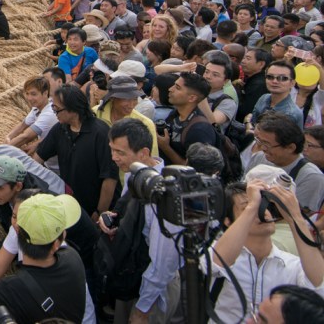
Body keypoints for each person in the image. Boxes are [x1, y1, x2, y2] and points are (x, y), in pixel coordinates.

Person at [0, 191, 92, 324]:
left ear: (18, 231)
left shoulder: (7, 290)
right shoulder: (73, 258)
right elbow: (0, 270)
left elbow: (14, 295)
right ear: (56, 244)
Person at [207, 180, 324, 323]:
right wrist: (253, 206)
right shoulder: (217, 250)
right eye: (247, 208)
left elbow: (319, 285)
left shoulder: (290, 264)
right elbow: (215, 264)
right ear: (228, 221)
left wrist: (295, 217)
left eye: (263, 205)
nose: (262, 212)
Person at [101, 119, 181, 323]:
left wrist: (143, 308)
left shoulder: (163, 195)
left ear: (144, 153)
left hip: (151, 290)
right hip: (132, 276)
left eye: (120, 152)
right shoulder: (135, 175)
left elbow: (163, 262)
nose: (114, 158)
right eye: (111, 150)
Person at [35, 84, 118, 219]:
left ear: (73, 109)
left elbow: (109, 178)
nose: (54, 113)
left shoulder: (100, 133)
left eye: (57, 109)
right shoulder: (59, 130)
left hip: (96, 209)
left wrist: (99, 212)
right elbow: (38, 158)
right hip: (72, 206)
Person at [247, 112, 324, 213]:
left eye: (267, 144)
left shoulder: (311, 177)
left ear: (290, 147)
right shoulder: (259, 157)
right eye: (260, 141)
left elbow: (300, 215)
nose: (262, 148)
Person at [157, 72, 216, 166]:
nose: (170, 89)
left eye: (177, 87)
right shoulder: (175, 114)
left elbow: (195, 169)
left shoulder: (199, 130)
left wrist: (165, 148)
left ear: (192, 98)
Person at [250, 61, 305, 129]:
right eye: (270, 77)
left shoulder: (292, 113)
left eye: (282, 78)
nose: (274, 81)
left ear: (292, 83)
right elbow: (252, 122)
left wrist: (247, 124)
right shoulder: (263, 98)